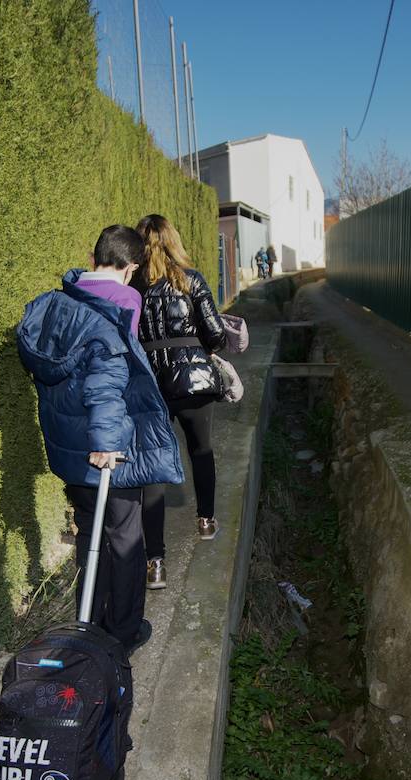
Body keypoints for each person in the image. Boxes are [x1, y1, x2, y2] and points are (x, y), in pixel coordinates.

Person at [15, 224, 184, 654]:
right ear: (129, 269)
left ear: (92, 261)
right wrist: (109, 445)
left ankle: (88, 624)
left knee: (92, 537)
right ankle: (123, 631)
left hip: (69, 449)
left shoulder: (55, 306)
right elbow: (106, 387)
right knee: (126, 540)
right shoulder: (115, 312)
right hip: (104, 452)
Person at [133, 213, 227, 590]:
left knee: (154, 466)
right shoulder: (191, 280)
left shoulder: (132, 287)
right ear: (174, 240)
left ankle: (155, 563)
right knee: (201, 450)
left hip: (152, 384)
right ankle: (206, 521)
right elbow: (216, 335)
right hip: (194, 381)